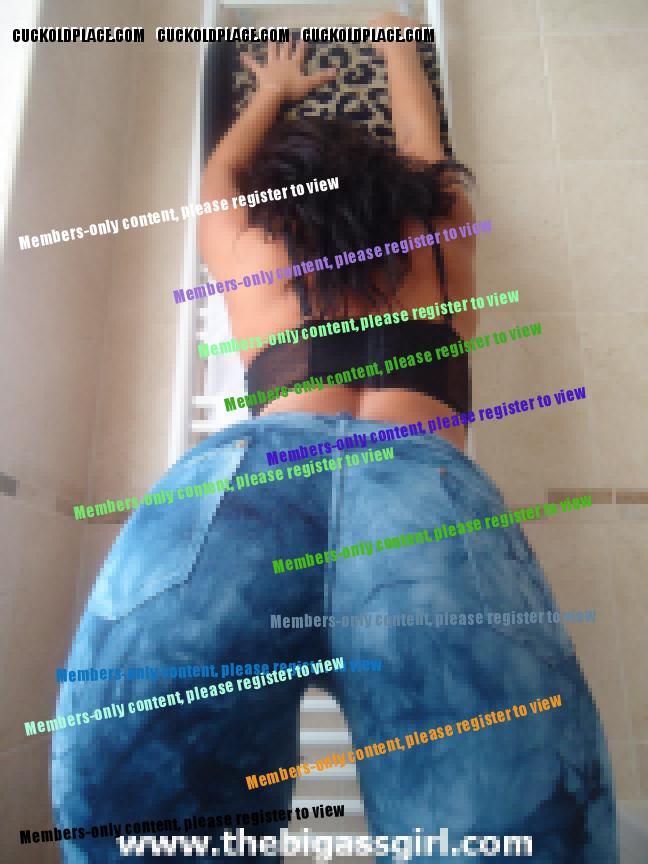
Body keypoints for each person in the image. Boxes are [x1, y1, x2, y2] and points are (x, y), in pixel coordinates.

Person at [52, 17, 617, 862]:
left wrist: (272, 93)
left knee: (139, 826)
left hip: (248, 492)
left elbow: (220, 176)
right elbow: (428, 152)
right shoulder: (437, 234)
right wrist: (398, 47)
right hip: (420, 495)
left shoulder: (250, 235)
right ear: (405, 197)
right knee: (509, 834)